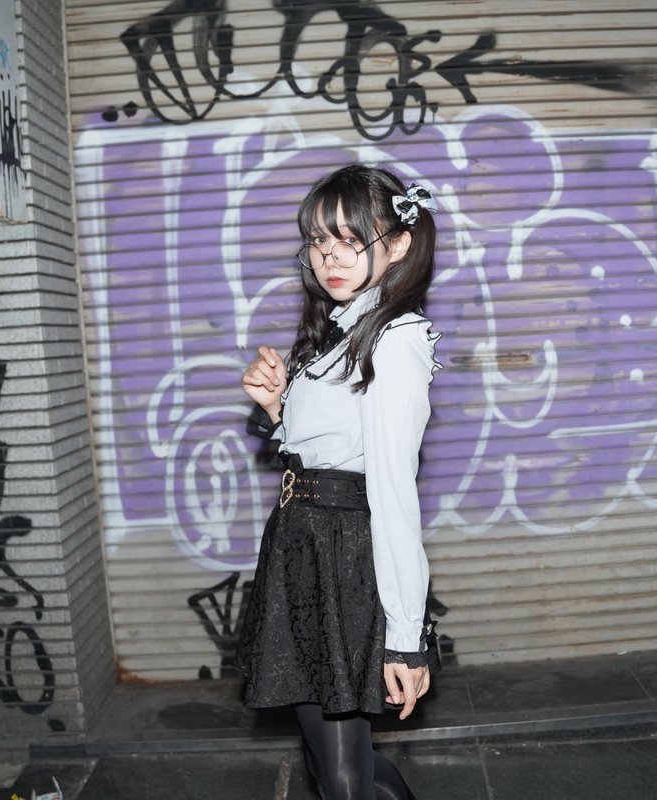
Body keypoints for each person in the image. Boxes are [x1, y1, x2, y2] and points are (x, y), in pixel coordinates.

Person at [235, 163, 441, 799]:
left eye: (352, 239)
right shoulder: (340, 329)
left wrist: (405, 641)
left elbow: (392, 494)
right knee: (331, 761)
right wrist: (277, 408)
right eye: (320, 240)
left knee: (343, 773)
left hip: (344, 555)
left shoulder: (394, 339)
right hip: (303, 544)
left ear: (398, 244)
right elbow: (328, 452)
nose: (330, 256)